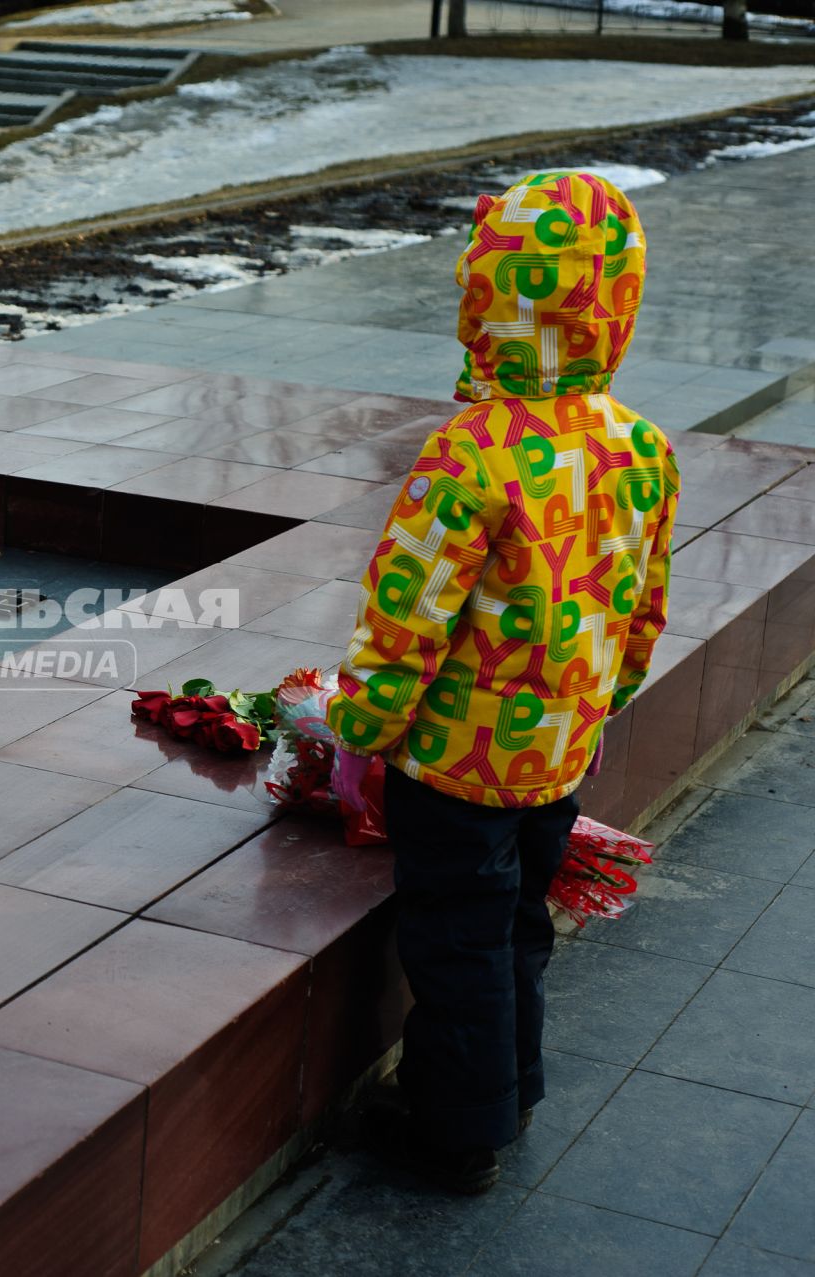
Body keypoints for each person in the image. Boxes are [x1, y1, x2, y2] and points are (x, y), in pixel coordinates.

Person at [324, 170, 681, 1195]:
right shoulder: (640, 446)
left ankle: (455, 1132)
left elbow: (408, 615)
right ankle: (515, 1085)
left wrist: (362, 723)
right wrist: (607, 696)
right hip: (559, 750)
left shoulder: (472, 453)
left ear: (488, 300)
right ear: (615, 304)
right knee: (522, 923)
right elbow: (644, 603)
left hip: (459, 764)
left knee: (457, 940)